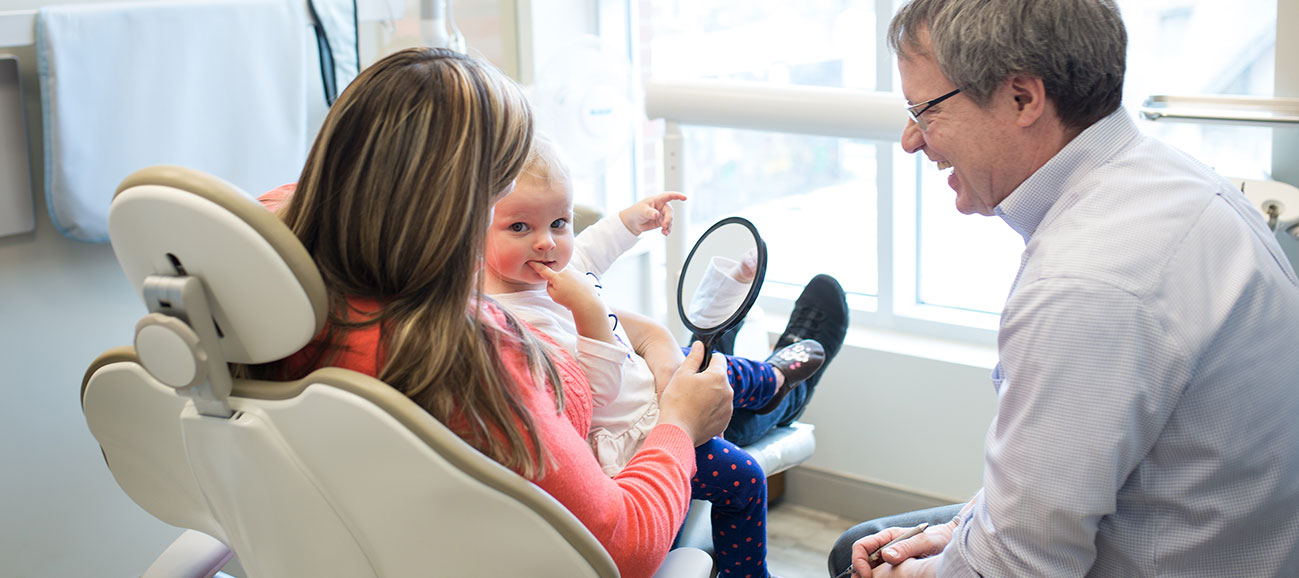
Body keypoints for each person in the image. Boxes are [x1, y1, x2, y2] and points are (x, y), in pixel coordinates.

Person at [828, 0, 1299, 576]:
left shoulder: (1087, 285)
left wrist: (919, 569)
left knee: (858, 558)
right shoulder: (1170, 178)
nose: (911, 139)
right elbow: (1089, 466)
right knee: (862, 539)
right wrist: (961, 531)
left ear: (1022, 98)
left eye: (924, 110)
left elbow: (1018, 568)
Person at [247, 47, 736, 578]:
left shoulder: (266, 269)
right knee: (722, 414)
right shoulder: (476, 357)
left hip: (356, 550)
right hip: (555, 520)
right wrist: (680, 425)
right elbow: (627, 546)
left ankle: (771, 381)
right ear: (457, 205)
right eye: (504, 192)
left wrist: (653, 339)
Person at [483, 135, 830, 577]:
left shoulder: (554, 267)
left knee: (706, 361)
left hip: (647, 379)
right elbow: (596, 394)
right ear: (474, 231)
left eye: (558, 222)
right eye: (520, 228)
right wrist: (589, 310)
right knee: (745, 479)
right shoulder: (509, 322)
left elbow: (594, 245)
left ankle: (773, 379)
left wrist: (634, 219)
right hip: (634, 439)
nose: (546, 243)